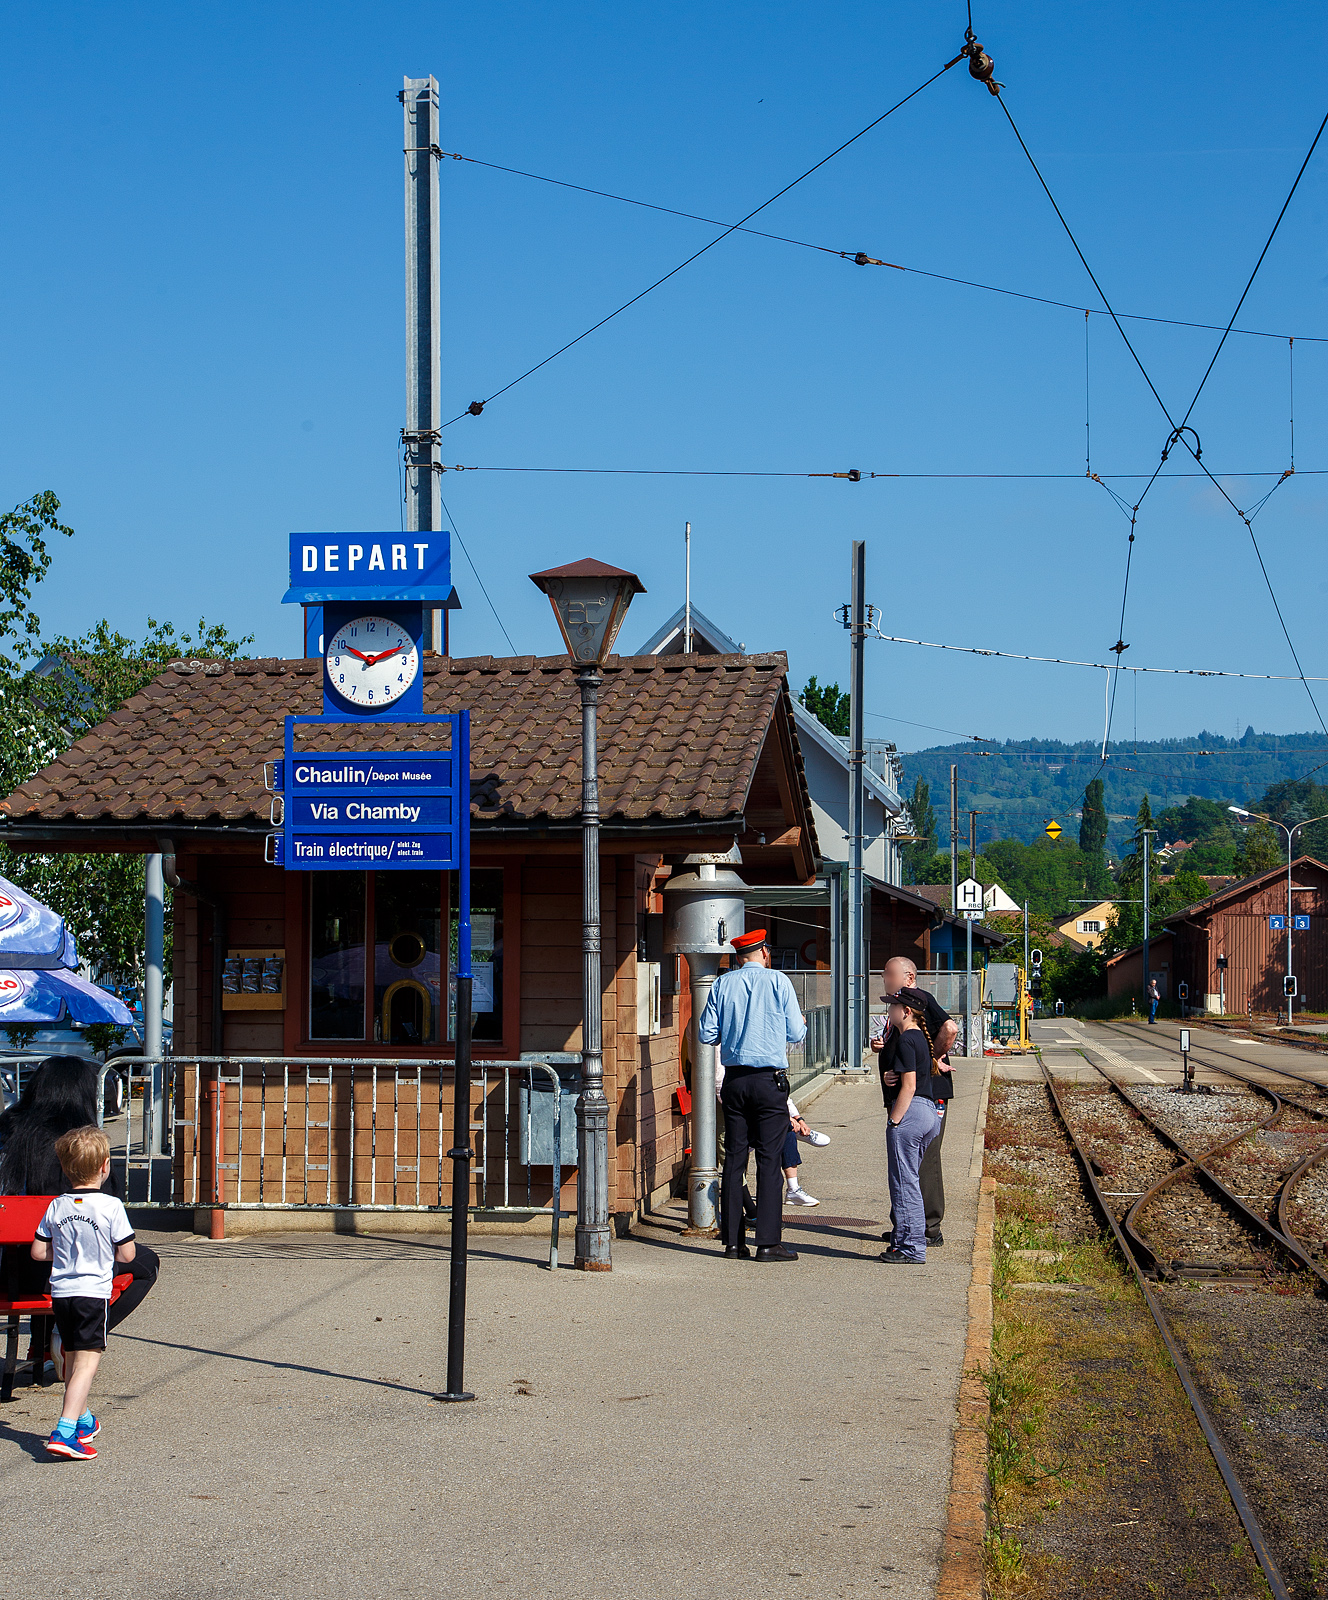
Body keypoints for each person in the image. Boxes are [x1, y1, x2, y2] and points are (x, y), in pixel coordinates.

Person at [0, 1057, 159, 1375]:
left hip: (9, 1270)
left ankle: (41, 1346)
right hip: (71, 1270)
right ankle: (72, 1338)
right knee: (146, 1266)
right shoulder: (81, 1141)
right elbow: (107, 1212)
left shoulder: (7, 1129)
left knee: (41, 1252)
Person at [699, 927, 807, 1262]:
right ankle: (767, 1243)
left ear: (738, 956)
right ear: (764, 953)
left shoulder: (721, 983)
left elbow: (707, 1033)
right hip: (767, 1081)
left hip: (734, 1080)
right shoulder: (778, 982)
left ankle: (733, 1242)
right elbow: (795, 1032)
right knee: (769, 1159)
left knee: (733, 1158)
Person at [32, 1125, 137, 1458]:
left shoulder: (57, 1206)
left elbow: (38, 1252)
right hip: (93, 1291)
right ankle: (64, 1430)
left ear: (64, 1168)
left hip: (62, 1292)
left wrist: (65, 1255)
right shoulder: (110, 1207)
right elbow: (128, 1255)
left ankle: (84, 1419)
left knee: (73, 1357)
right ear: (105, 1166)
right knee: (88, 1363)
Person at [871, 956, 958, 1247]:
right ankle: (907, 1224)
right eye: (884, 974)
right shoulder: (901, 1003)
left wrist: (931, 1060)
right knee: (906, 1161)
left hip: (925, 1094)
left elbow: (950, 1028)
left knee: (925, 1158)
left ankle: (929, 1227)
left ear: (909, 977)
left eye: (890, 973)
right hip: (905, 1092)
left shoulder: (921, 998)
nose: (885, 978)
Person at [878, 989, 943, 1265]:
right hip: (928, 1114)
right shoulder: (920, 1038)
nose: (889, 1012)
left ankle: (911, 1247)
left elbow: (910, 1086)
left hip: (911, 1114)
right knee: (911, 1182)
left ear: (905, 1012)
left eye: (893, 1007)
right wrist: (891, 1074)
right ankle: (904, 1241)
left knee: (904, 1184)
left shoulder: (907, 1039)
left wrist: (894, 1120)